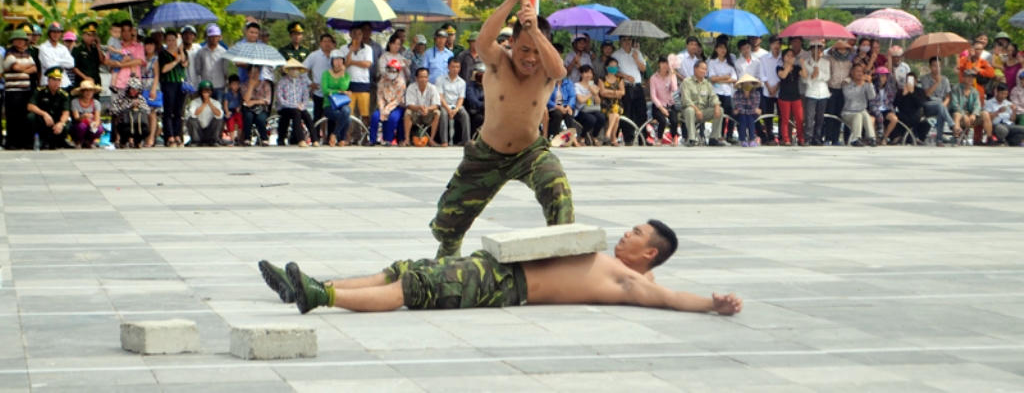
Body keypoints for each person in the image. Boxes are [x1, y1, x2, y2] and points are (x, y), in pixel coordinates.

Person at [259, 220, 743, 320]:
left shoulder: (629, 280)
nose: (625, 235)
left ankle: (320, 299)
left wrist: (712, 304)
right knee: (400, 270)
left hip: (505, 284)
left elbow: (670, 299)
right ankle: (308, 285)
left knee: (413, 288)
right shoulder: (617, 263)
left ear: (651, 253)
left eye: (636, 234)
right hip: (494, 264)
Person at [429, 0, 573, 259]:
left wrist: (533, 31)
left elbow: (560, 70)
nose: (530, 58)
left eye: (536, 51)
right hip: (487, 152)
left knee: (557, 189)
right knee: (448, 220)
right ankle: (448, 252)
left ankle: (563, 255)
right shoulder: (498, 61)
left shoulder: (547, 69)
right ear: (512, 44)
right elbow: (483, 42)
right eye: (524, 50)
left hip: (530, 153)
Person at [4, 27, 38, 149]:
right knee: (13, 117)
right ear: (13, 41)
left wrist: (24, 69)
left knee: (24, 117)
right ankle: (12, 143)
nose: (20, 42)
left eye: (22, 40)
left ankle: (23, 143)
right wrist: (26, 69)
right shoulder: (9, 53)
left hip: (25, 90)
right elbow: (15, 67)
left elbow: (34, 68)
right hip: (12, 91)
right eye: (17, 40)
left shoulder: (27, 53)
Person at [611, 36, 647, 143]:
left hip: (637, 85)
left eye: (629, 40)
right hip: (626, 85)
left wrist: (636, 58)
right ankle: (628, 138)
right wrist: (625, 76)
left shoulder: (637, 53)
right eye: (624, 40)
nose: (627, 42)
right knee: (627, 112)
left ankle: (642, 137)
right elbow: (613, 71)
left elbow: (643, 69)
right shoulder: (616, 55)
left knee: (641, 113)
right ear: (620, 41)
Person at [681, 60, 723, 146]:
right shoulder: (687, 82)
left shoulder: (707, 83)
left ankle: (713, 138)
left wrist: (717, 106)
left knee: (720, 110)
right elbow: (686, 100)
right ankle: (692, 139)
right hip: (690, 112)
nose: (704, 71)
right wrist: (696, 110)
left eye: (706, 69)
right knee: (689, 110)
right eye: (702, 69)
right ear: (695, 69)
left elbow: (713, 97)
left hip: (703, 111)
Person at [27, 67, 71, 149]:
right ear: (48, 80)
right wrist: (44, 114)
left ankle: (60, 141)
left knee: (67, 123)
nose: (56, 82)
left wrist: (61, 123)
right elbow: (30, 106)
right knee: (31, 117)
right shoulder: (40, 91)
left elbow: (66, 112)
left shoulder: (64, 95)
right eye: (53, 79)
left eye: (58, 80)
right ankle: (39, 140)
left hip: (56, 120)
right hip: (43, 120)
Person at [159, 29, 188, 147]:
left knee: (178, 111)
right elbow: (164, 69)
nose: (171, 42)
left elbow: (185, 64)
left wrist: (181, 51)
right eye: (169, 40)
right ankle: (169, 136)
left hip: (180, 83)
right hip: (168, 83)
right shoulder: (163, 53)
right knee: (168, 111)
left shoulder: (182, 52)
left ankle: (178, 135)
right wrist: (175, 61)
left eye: (173, 40)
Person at [275, 59, 315, 146]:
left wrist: (303, 105)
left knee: (306, 115)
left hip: (299, 107)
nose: (294, 71)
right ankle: (300, 139)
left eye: (296, 69)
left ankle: (315, 139)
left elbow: (305, 95)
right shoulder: (282, 82)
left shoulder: (302, 81)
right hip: (285, 107)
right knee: (296, 113)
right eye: (292, 69)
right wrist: (294, 105)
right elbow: (280, 99)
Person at [305, 33, 336, 144]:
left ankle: (330, 139)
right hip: (319, 91)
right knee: (317, 115)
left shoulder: (336, 56)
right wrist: (310, 83)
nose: (327, 44)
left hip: (333, 92)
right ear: (320, 43)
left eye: (329, 41)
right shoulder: (314, 56)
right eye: (324, 41)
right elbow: (303, 70)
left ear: (333, 44)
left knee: (332, 116)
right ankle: (315, 138)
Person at [823, 39, 853, 146]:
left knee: (839, 115)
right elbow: (826, 72)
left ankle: (835, 138)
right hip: (831, 88)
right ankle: (827, 137)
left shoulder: (849, 62)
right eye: (840, 49)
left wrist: (847, 80)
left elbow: (851, 75)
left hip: (843, 90)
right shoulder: (830, 59)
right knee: (829, 114)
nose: (842, 51)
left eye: (844, 49)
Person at [370, 57, 406, 145]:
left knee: (393, 118)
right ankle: (372, 140)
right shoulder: (382, 81)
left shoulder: (401, 83)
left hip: (397, 106)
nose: (391, 73)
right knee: (375, 116)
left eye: (394, 71)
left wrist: (387, 109)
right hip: (384, 105)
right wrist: (382, 109)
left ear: (398, 72)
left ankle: (388, 140)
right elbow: (380, 96)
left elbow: (398, 100)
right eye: (389, 70)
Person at [708, 41, 738, 143]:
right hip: (717, 92)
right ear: (716, 49)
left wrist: (719, 79)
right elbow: (712, 78)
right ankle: (719, 135)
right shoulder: (712, 62)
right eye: (720, 48)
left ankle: (729, 135)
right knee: (720, 113)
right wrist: (725, 77)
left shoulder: (729, 63)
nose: (722, 50)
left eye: (724, 48)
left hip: (728, 92)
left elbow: (734, 78)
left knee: (731, 114)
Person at [919, 57, 954, 145]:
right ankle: (952, 125)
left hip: (941, 104)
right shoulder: (925, 78)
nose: (937, 68)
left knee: (941, 109)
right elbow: (927, 94)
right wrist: (937, 83)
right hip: (928, 104)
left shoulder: (945, 79)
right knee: (940, 107)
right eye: (934, 66)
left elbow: (948, 97)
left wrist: (944, 105)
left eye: (939, 66)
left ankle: (939, 140)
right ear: (930, 67)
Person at [320, 50, 352, 147]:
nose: (338, 62)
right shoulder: (326, 74)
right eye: (335, 60)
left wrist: (342, 74)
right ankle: (341, 138)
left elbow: (344, 88)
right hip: (329, 104)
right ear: (332, 61)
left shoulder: (346, 75)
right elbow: (325, 90)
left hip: (342, 104)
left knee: (346, 111)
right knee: (347, 119)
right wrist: (337, 92)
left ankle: (334, 134)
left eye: (340, 60)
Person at [403, 67, 441, 146]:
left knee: (437, 112)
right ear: (416, 78)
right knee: (407, 112)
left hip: (428, 114)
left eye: (425, 77)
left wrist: (428, 109)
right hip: (416, 114)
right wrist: (419, 108)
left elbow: (436, 104)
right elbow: (409, 105)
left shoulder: (432, 88)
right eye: (421, 77)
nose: (423, 79)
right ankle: (407, 139)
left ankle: (431, 140)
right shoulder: (411, 87)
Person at [802, 40, 830, 145]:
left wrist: (818, 73)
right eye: (814, 49)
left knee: (820, 117)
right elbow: (804, 79)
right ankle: (808, 137)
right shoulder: (806, 62)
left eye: (819, 49)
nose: (817, 52)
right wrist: (812, 76)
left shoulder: (826, 62)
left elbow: (827, 77)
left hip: (823, 92)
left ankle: (817, 137)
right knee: (809, 116)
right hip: (811, 91)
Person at [437, 57, 471, 147]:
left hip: (456, 106)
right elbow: (440, 97)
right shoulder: (440, 79)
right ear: (448, 67)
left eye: (457, 67)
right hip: (444, 105)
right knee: (444, 114)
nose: (455, 69)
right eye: (453, 67)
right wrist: (448, 109)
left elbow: (461, 98)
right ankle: (444, 141)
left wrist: (456, 109)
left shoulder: (462, 82)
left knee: (465, 115)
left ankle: (466, 140)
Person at [776, 48, 806, 146]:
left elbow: (805, 75)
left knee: (799, 119)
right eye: (788, 55)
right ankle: (786, 139)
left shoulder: (797, 68)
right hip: (784, 97)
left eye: (792, 56)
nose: (790, 57)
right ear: (783, 57)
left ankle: (801, 138)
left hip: (796, 96)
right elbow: (783, 76)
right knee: (785, 119)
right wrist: (788, 66)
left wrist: (803, 65)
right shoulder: (779, 68)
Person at [842, 63, 876, 146]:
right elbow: (850, 96)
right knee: (858, 115)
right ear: (852, 72)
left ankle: (871, 137)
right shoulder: (846, 83)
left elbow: (872, 97)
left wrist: (870, 84)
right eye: (857, 71)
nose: (860, 73)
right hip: (848, 113)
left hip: (862, 111)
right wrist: (859, 85)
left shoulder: (865, 84)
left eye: (861, 71)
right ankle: (855, 139)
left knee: (865, 114)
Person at [756, 35, 782, 145]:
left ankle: (781, 136)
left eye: (778, 43)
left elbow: (783, 74)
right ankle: (770, 137)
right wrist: (769, 87)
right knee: (768, 115)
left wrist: (776, 86)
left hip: (780, 90)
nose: (776, 46)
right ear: (770, 45)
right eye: (774, 43)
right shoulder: (764, 58)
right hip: (767, 90)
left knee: (782, 115)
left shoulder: (783, 57)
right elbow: (763, 75)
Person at [111, 76, 149, 148]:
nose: (133, 91)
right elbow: (114, 110)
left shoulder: (141, 98)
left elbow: (147, 110)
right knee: (124, 128)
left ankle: (137, 141)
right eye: (132, 89)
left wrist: (139, 106)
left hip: (138, 123)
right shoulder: (121, 97)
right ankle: (122, 141)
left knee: (145, 129)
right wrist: (129, 106)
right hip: (125, 123)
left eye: (136, 89)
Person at [648, 55, 678, 145]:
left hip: (669, 104)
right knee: (662, 120)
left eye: (667, 63)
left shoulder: (671, 76)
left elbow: (674, 89)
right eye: (663, 63)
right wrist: (661, 108)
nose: (665, 65)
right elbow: (653, 96)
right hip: (658, 106)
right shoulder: (654, 78)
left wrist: (672, 75)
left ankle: (674, 137)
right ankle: (659, 138)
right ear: (659, 64)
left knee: (674, 120)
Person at [193, 25, 229, 100]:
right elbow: (198, 70)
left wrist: (226, 84)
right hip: (205, 85)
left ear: (219, 37)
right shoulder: (201, 52)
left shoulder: (223, 52)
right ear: (207, 37)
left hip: (219, 85)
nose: (214, 39)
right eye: (211, 36)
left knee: (218, 108)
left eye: (216, 36)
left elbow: (225, 70)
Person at [186, 80, 225, 146]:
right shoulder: (195, 102)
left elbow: (220, 115)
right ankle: (196, 141)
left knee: (219, 120)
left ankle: (214, 140)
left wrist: (210, 104)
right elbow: (193, 114)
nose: (206, 93)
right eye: (204, 91)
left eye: (208, 91)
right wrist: (204, 104)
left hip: (209, 130)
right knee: (191, 120)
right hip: (198, 130)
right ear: (201, 92)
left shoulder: (215, 102)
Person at [894, 73, 930, 144]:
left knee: (925, 124)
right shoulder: (901, 91)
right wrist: (903, 95)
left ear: (916, 81)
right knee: (893, 117)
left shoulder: (920, 91)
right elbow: (895, 104)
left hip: (915, 114)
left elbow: (921, 103)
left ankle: (918, 138)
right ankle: (899, 137)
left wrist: (912, 93)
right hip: (903, 114)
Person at [574, 65, 605, 145]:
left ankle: (594, 136)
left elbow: (598, 102)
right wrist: (591, 93)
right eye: (586, 72)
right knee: (591, 119)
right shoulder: (577, 86)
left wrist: (595, 94)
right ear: (581, 74)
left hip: (592, 109)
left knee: (601, 117)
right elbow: (581, 100)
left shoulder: (593, 86)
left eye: (590, 73)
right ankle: (582, 137)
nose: (588, 75)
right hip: (581, 110)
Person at [139, 35, 162, 148]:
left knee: (152, 113)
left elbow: (157, 74)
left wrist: (153, 88)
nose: (148, 47)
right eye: (147, 44)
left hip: (152, 85)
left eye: (151, 45)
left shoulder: (155, 59)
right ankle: (145, 135)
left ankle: (151, 137)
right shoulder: (141, 58)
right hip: (142, 86)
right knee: (144, 112)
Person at [37, 22, 75, 88]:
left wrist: (55, 60)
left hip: (64, 83)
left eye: (58, 32)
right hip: (48, 83)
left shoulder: (63, 48)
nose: (56, 34)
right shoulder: (43, 47)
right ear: (49, 33)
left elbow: (71, 64)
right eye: (54, 32)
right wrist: (63, 62)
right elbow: (49, 65)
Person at [242, 65, 272, 146]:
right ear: (248, 73)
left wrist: (254, 102)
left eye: (256, 73)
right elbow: (246, 100)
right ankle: (247, 138)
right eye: (252, 73)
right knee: (248, 116)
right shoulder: (245, 85)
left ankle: (264, 138)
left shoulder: (265, 84)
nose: (254, 75)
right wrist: (251, 86)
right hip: (249, 109)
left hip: (261, 108)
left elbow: (267, 100)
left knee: (260, 118)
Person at [545, 71, 579, 144]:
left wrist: (569, 106)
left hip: (565, 105)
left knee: (569, 115)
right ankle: (554, 136)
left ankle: (574, 138)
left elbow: (572, 96)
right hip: (553, 106)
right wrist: (557, 107)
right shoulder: (549, 83)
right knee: (558, 114)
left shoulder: (568, 83)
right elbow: (546, 98)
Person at [70, 21, 106, 89]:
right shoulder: (77, 48)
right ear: (83, 35)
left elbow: (102, 61)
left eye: (93, 35)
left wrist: (98, 46)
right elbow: (74, 68)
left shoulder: (95, 48)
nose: (91, 38)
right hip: (83, 83)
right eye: (89, 35)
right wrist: (85, 77)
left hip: (96, 82)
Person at [69, 79, 103, 148]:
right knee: (81, 126)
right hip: (78, 126)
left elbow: (97, 119)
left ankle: (89, 141)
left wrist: (95, 124)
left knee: (99, 129)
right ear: (82, 92)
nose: (88, 93)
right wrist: (83, 117)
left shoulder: (96, 103)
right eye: (86, 90)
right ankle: (78, 141)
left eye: (91, 90)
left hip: (90, 125)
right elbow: (76, 118)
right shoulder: (75, 102)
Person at [598, 58, 625, 146]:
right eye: (611, 66)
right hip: (605, 104)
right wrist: (615, 93)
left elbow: (622, 93)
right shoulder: (601, 79)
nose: (613, 68)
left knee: (615, 110)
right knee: (616, 115)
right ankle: (613, 138)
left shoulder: (619, 79)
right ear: (606, 67)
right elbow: (602, 93)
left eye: (615, 66)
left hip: (617, 104)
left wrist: (609, 92)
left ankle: (608, 133)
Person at [870, 67, 899, 145]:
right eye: (881, 76)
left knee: (894, 119)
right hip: (874, 109)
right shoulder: (872, 86)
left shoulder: (890, 87)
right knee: (871, 120)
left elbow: (891, 99)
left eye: (884, 76)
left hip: (886, 108)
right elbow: (871, 100)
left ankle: (885, 137)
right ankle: (875, 138)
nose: (883, 78)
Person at [732, 74, 762, 147]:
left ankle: (752, 139)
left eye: (749, 83)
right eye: (745, 83)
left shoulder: (756, 94)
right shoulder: (737, 94)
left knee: (749, 118)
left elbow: (754, 107)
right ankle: (742, 139)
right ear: (742, 85)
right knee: (743, 117)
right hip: (741, 114)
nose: (747, 85)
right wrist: (745, 111)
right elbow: (739, 107)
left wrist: (751, 110)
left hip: (752, 114)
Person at [465, 62, 486, 138]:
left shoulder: (488, 86)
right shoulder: (470, 86)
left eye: (483, 74)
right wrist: (484, 105)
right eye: (479, 74)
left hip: (486, 111)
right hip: (474, 111)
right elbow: (473, 100)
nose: (481, 77)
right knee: (480, 118)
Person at [224, 74, 244, 145]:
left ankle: (239, 138)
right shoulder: (228, 94)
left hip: (237, 111)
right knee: (231, 124)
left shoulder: (240, 94)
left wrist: (240, 107)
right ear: (230, 85)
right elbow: (226, 104)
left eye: (237, 84)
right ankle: (232, 140)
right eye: (233, 84)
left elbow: (241, 102)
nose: (235, 86)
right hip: (230, 111)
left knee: (240, 123)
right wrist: (226, 112)